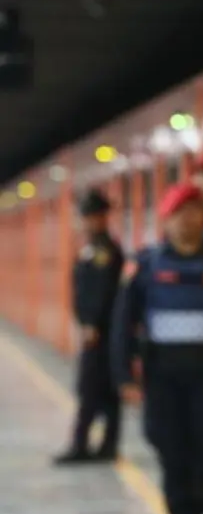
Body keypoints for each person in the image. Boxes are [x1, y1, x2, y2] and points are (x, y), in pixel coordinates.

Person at [110, 182, 203, 514]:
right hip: (165, 382)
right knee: (173, 458)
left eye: (195, 212)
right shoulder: (146, 264)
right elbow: (123, 324)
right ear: (166, 220)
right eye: (179, 213)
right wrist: (123, 377)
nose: (188, 220)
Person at [54, 188, 125, 465]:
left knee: (92, 387)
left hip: (101, 333)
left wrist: (91, 323)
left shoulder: (105, 251)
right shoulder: (92, 248)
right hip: (94, 331)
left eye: (90, 216)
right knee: (103, 388)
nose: (86, 222)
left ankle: (82, 444)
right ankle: (104, 444)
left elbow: (102, 291)